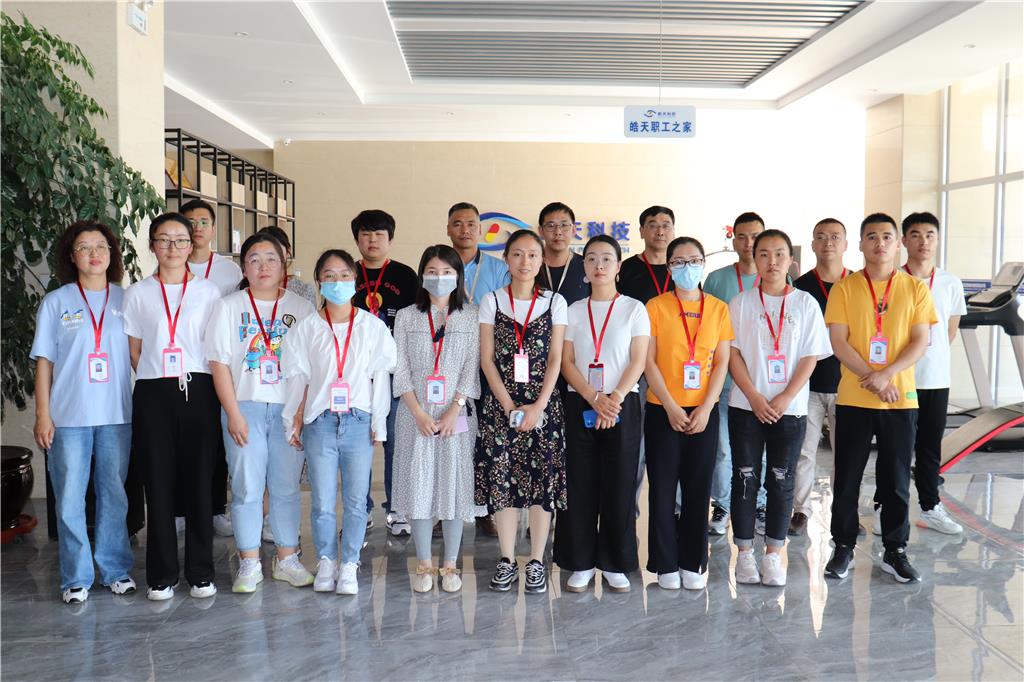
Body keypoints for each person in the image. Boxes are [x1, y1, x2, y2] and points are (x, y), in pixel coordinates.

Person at [824, 213, 936, 584]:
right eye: (871, 236)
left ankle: (895, 550)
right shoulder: (845, 288)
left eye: (887, 236)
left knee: (897, 481)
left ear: (897, 243)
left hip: (900, 399)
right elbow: (839, 342)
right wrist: (872, 378)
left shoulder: (915, 289)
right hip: (854, 400)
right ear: (860, 244)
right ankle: (843, 546)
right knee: (847, 479)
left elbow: (921, 340)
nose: (880, 243)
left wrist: (886, 375)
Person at [31, 221, 135, 604]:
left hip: (117, 415)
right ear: (71, 256)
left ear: (111, 254)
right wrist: (43, 414)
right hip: (69, 418)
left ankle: (115, 570)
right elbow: (44, 362)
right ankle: (75, 577)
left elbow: (140, 356)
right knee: (69, 499)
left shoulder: (127, 300)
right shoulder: (56, 302)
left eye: (101, 246)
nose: (94, 253)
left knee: (114, 495)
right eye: (84, 247)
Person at [281, 249, 397, 596]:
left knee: (357, 500)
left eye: (344, 275)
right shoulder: (307, 328)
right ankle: (327, 561)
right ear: (319, 282)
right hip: (320, 422)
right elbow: (298, 380)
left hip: (358, 421)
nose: (337, 282)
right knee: (321, 501)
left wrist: (379, 423)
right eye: (329, 276)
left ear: (355, 281)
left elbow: (380, 377)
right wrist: (292, 420)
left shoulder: (372, 327)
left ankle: (349, 564)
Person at [206, 233, 316, 593]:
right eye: (254, 259)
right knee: (246, 487)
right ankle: (249, 562)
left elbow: (310, 368)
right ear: (244, 268)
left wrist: (299, 412)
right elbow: (219, 364)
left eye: (271, 259)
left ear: (284, 265)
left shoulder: (302, 308)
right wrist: (233, 413)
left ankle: (287, 559)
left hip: (288, 410)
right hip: (244, 407)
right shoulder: (228, 307)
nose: (263, 266)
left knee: (285, 487)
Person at [123, 212, 223, 600]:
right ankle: (162, 574)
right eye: (164, 240)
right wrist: (160, 375)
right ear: (153, 246)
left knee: (200, 481)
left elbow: (214, 347)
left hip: (199, 389)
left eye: (180, 239)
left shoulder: (208, 292)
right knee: (158, 482)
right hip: (154, 392)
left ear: (191, 244)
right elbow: (134, 350)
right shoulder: (137, 293)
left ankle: (201, 571)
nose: (173, 247)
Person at [726, 230, 831, 586]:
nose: (772, 262)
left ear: (791, 260)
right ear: (754, 258)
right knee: (745, 478)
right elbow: (732, 354)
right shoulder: (740, 303)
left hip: (791, 408)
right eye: (764, 254)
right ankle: (744, 553)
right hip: (746, 406)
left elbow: (810, 356)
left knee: (781, 481)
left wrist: (785, 396)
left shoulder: (805, 303)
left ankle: (773, 554)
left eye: (779, 254)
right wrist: (755, 397)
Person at [554, 235, 649, 593]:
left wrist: (614, 398)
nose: (599, 265)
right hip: (581, 402)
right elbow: (566, 361)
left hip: (622, 403)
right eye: (591, 258)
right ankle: (580, 562)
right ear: (584, 266)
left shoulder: (634, 309)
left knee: (620, 484)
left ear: (618, 266)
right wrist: (594, 397)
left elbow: (638, 359)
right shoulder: (573, 310)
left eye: (607, 259)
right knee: (579, 484)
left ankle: (614, 562)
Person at [476, 229, 567, 594]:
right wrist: (510, 406)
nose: (524, 261)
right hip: (502, 406)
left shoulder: (555, 302)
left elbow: (556, 359)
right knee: (503, 482)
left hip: (544, 406)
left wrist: (537, 407)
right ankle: (507, 559)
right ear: (506, 259)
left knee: (542, 484)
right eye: (517, 254)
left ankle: (536, 561)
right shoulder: (491, 300)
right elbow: (487, 359)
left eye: (532, 255)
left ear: (541, 260)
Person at [391, 244, 482, 593]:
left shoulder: (471, 316)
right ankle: (424, 565)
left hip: (455, 413)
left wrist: (455, 407)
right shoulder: (406, 316)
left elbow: (471, 368)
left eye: (447, 272)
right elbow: (400, 369)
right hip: (415, 414)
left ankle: (451, 565)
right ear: (422, 276)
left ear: (458, 276)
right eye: (432, 271)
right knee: (419, 487)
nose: (439, 278)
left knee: (454, 488)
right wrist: (417, 412)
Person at [644, 236, 733, 590]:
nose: (687, 267)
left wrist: (708, 406)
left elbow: (722, 361)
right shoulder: (655, 307)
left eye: (694, 260)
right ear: (669, 268)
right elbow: (648, 360)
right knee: (663, 489)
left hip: (704, 411)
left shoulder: (719, 309)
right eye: (679, 262)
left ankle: (693, 562)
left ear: (703, 265)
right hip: (662, 408)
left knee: (698, 489)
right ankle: (665, 563)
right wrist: (669, 404)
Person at [891, 211, 965, 535]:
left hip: (935, 377)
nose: (923, 241)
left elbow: (950, 331)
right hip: (899, 378)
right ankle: (887, 506)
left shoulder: (950, 282)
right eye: (916, 235)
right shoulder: (893, 280)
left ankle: (930, 507)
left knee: (929, 447)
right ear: (904, 241)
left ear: (937, 240)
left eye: (930, 235)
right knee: (895, 448)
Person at [351, 209, 419, 537]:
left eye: (379, 234)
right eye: (366, 234)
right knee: (359, 444)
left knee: (396, 444)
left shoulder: (405, 276)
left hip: (394, 373)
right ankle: (360, 509)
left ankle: (397, 509)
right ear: (357, 240)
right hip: (355, 375)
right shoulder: (347, 273)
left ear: (390, 239)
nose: (373, 240)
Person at [180, 198, 242, 538]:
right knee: (180, 440)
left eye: (203, 221)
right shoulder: (170, 265)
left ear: (214, 228)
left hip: (219, 366)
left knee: (216, 440)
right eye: (190, 222)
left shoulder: (229, 271)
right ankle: (180, 509)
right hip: (182, 366)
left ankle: (217, 508)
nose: (197, 228)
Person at [446, 201, 509, 538]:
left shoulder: (498, 269)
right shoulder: (439, 266)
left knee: (487, 437)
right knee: (451, 436)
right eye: (457, 223)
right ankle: (446, 508)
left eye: (471, 223)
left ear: (480, 229)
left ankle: (486, 508)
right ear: (448, 229)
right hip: (448, 365)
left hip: (488, 363)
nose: (465, 229)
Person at [704, 211, 767, 535]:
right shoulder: (717, 280)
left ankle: (760, 504)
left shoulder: (777, 278)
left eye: (755, 236)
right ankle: (723, 505)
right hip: (725, 381)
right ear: (734, 240)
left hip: (764, 383)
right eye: (742, 236)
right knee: (723, 450)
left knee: (762, 450)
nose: (748, 243)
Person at [790, 218, 849, 536]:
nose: (828, 242)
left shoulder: (857, 284)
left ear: (846, 244)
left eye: (835, 237)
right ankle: (801, 511)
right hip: (808, 385)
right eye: (821, 237)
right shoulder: (800, 287)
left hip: (849, 385)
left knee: (847, 455)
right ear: (812, 244)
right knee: (804, 453)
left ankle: (844, 512)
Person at [616, 205, 676, 517]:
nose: (660, 230)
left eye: (666, 224)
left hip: (674, 367)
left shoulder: (682, 269)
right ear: (641, 231)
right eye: (652, 224)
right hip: (636, 366)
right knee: (635, 442)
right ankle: (630, 507)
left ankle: (674, 508)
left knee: (674, 437)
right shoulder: (627, 270)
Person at [536, 202, 589, 305]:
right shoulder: (529, 266)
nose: (558, 232)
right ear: (541, 231)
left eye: (564, 225)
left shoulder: (587, 266)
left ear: (574, 230)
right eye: (551, 226)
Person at [258, 224, 317, 305]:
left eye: (277, 249)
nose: (271, 256)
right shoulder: (248, 287)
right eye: (265, 251)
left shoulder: (303, 291)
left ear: (287, 252)